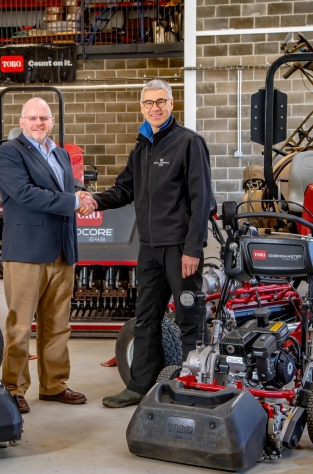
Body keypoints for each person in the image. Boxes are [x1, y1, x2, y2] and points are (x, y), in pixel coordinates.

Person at [84, 79, 213, 408]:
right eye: (148, 103)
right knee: (145, 318)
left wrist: (193, 249)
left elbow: (201, 201)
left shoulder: (189, 143)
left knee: (188, 317)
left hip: (180, 248)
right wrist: (94, 202)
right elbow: (125, 189)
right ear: (142, 107)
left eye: (160, 101)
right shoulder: (142, 146)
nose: (154, 108)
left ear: (171, 104)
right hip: (150, 249)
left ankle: (196, 386)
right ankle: (140, 385)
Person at [0, 97, 97, 414]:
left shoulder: (61, 154)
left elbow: (66, 187)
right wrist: (72, 199)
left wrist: (82, 195)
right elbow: (25, 193)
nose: (39, 123)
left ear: (51, 121)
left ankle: (54, 385)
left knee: (58, 325)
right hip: (27, 250)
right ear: (22, 121)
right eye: (32, 118)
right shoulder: (10, 152)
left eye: (44, 118)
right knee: (20, 326)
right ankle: (13, 387)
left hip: (62, 250)